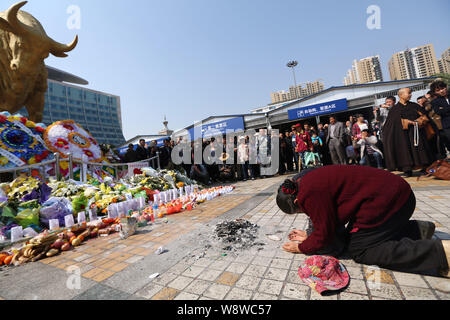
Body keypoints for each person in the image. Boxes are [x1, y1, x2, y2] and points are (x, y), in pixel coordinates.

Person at [276, 165, 450, 277]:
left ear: (297, 202)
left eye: (300, 211)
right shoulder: (303, 180)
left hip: (390, 203)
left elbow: (325, 233)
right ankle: (416, 231)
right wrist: (309, 234)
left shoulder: (309, 195)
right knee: (356, 237)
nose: (306, 213)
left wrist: (301, 247)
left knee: (360, 250)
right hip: (395, 195)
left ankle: (439, 253)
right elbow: (326, 219)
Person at [383, 88, 434, 177]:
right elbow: (390, 124)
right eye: (408, 93)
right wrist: (405, 122)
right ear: (401, 95)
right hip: (402, 135)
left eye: (411, 93)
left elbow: (424, 117)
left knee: (420, 149)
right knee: (404, 151)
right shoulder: (394, 109)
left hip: (416, 133)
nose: (410, 95)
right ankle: (407, 169)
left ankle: (424, 167)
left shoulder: (415, 106)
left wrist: (419, 121)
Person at [431, 80, 450, 154]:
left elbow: (443, 111)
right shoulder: (435, 102)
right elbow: (438, 112)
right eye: (438, 90)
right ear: (435, 92)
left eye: (442, 88)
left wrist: (444, 108)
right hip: (447, 125)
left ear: (446, 87)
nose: (441, 91)